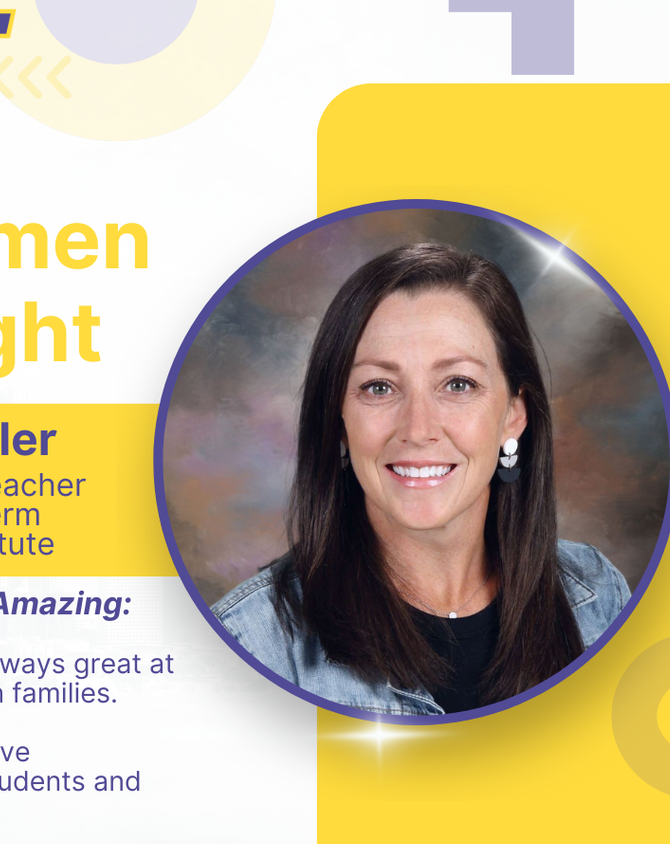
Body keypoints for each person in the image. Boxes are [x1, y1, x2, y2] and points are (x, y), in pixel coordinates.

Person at [212, 243, 630, 715]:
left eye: (458, 384)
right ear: (339, 418)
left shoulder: (596, 597)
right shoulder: (249, 643)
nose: (418, 429)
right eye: (379, 387)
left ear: (514, 415)